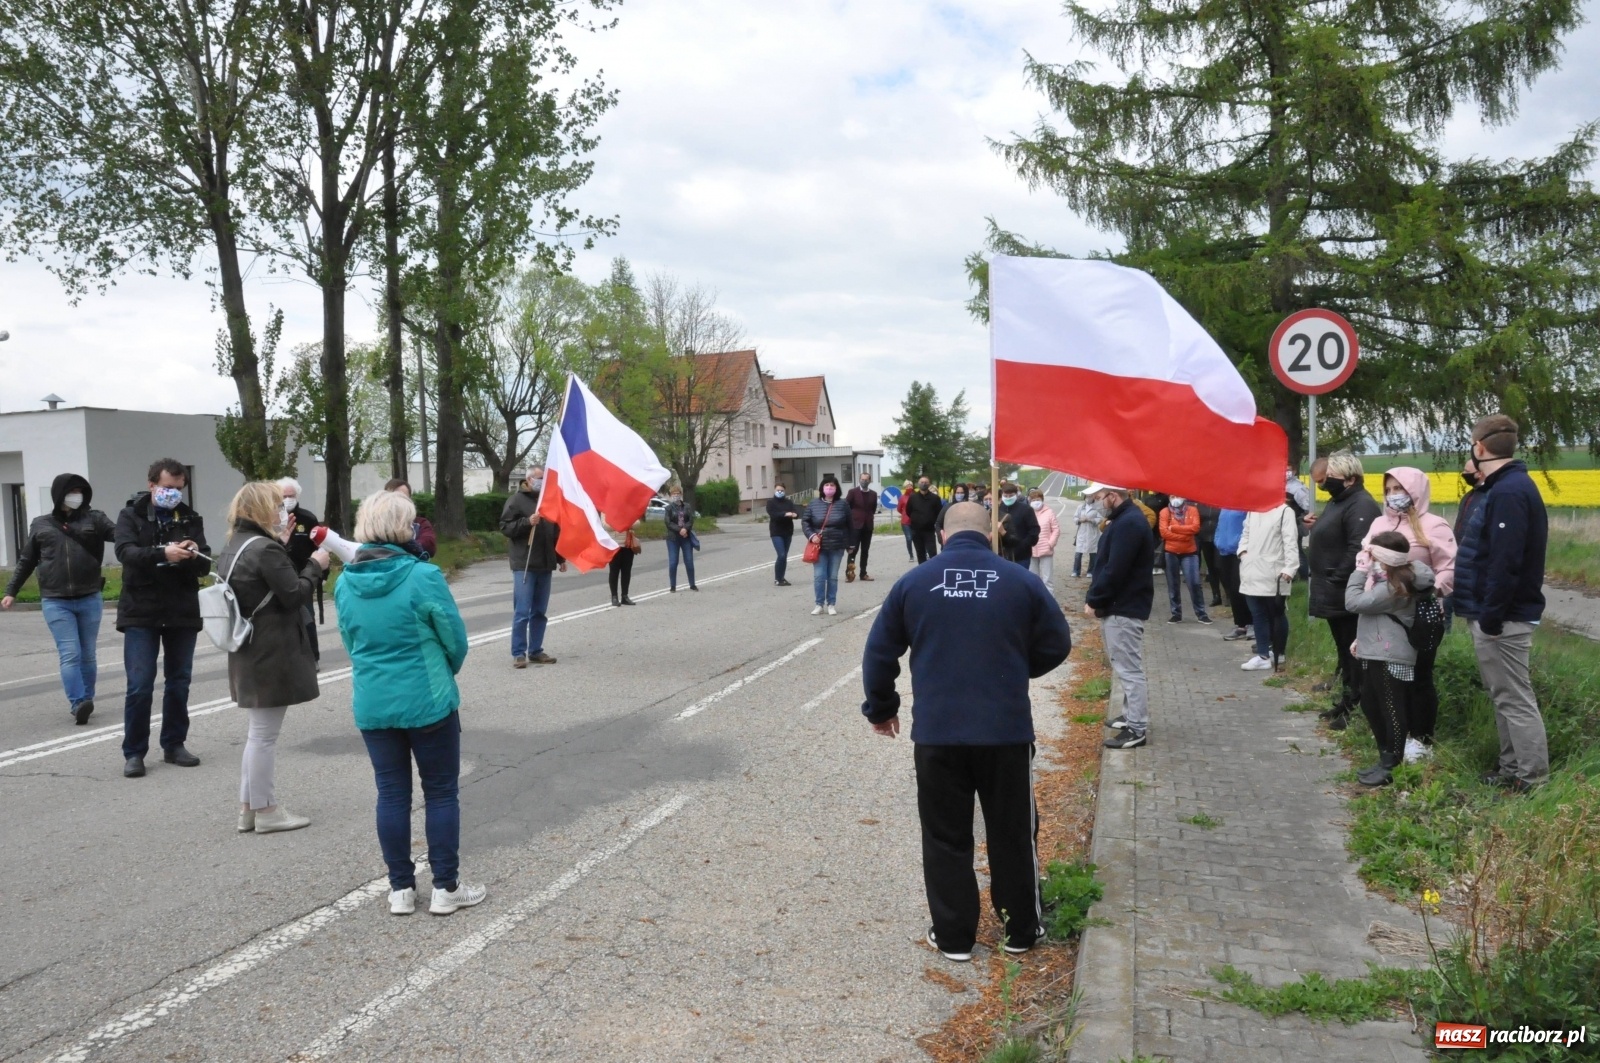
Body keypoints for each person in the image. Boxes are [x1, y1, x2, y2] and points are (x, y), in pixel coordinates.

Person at [861, 502, 1071, 962]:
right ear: (992, 533)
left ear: (941, 535)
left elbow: (879, 653)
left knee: (945, 836)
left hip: (939, 734)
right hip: (1006, 733)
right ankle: (1020, 928)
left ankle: (954, 936)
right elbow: (1058, 642)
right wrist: (1016, 671)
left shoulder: (914, 583)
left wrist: (882, 708)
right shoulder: (1022, 581)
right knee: (1012, 831)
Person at [335, 489, 484, 916]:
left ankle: (400, 887)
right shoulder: (423, 576)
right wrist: (444, 671)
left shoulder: (345, 582)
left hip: (374, 701)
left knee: (392, 793)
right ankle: (445, 886)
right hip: (427, 698)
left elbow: (351, 641)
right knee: (440, 793)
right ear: (405, 526)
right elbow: (454, 640)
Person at [217, 482, 329, 833]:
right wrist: (314, 564)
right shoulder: (265, 549)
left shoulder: (237, 544)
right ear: (263, 509)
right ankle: (266, 811)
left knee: (258, 734)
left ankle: (248, 808)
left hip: (251, 646)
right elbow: (294, 595)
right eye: (278, 505)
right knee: (264, 736)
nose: (284, 511)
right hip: (271, 648)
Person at [1463, 415, 1549, 792]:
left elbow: (1505, 561)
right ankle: (1510, 768)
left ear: (1479, 447)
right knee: (1504, 696)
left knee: (1515, 699)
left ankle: (1531, 779)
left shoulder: (1509, 492)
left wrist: (1491, 618)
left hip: (1504, 618)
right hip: (1499, 614)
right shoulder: (1507, 486)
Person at [116, 458, 211, 778]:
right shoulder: (131, 515)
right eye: (168, 488)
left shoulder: (190, 517)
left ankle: (174, 744)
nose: (173, 494)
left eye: (179, 489)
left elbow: (204, 565)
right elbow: (125, 553)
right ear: (152, 484)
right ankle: (134, 752)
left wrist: (193, 552)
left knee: (179, 682)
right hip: (141, 611)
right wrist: (163, 553)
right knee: (140, 685)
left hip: (181, 609)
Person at [2, 474, 117, 725]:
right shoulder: (41, 524)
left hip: (89, 596)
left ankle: (87, 699)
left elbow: (120, 535)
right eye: (71, 491)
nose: (77, 495)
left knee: (88, 654)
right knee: (70, 653)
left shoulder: (95, 518)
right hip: (56, 600)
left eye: (80, 490)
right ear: (59, 494)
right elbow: (26, 561)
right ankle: (77, 703)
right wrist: (11, 591)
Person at [1360, 467, 1457, 760]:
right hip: (1380, 614)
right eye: (1388, 490)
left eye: (1399, 489)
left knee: (1419, 676)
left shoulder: (1434, 525)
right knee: (1383, 679)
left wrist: (1427, 592)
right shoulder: (1378, 523)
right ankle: (1393, 739)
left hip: (1418, 616)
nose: (1393, 496)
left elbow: (1449, 567)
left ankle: (1422, 739)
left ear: (1414, 491)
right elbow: (1365, 559)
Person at [1345, 531, 1434, 787]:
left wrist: (1359, 571)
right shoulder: (1389, 579)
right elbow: (1375, 617)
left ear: (1381, 557)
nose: (1366, 558)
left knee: (1392, 710)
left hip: (1391, 654)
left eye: (1370, 554)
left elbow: (1353, 602)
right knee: (1370, 705)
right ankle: (1385, 757)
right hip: (1377, 649)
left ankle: (1391, 764)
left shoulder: (1394, 586)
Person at [1305, 450, 1381, 731]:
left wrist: (1337, 577)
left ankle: (1356, 704)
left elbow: (1357, 547)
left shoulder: (1361, 505)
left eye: (1332, 478)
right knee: (1343, 650)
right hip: (1332, 591)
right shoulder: (1340, 501)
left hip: (1344, 591)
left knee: (1353, 650)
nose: (1326, 484)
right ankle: (1347, 698)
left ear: (1349, 479)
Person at [1083, 483, 1155, 749]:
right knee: (1124, 665)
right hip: (1121, 604)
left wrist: (1095, 599)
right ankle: (1130, 715)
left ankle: (1137, 728)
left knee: (1128, 669)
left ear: (1113, 496)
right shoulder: (1125, 519)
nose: (1098, 502)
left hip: (1123, 606)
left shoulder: (1129, 523)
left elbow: (1115, 570)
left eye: (1100, 497)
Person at [498, 467, 565, 668]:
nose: (542, 481)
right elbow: (505, 527)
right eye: (539, 478)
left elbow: (555, 532)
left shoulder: (548, 500)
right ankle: (519, 653)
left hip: (545, 563)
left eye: (544, 479)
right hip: (524, 564)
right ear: (528, 479)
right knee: (522, 611)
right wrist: (527, 522)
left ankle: (536, 650)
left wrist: (560, 558)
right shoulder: (516, 500)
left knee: (539, 611)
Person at [1237, 496, 1298, 671]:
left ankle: (1279, 653)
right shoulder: (1253, 509)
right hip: (1251, 571)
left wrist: (1290, 567)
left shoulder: (1285, 511)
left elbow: (1290, 542)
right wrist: (1242, 552)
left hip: (1274, 572)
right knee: (1257, 614)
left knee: (1276, 613)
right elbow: (1245, 534)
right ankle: (1263, 654)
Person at [276, 477, 323, 664]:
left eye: (291, 495)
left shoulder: (308, 518)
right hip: (280, 575)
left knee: (307, 618)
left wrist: (320, 574)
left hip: (304, 575)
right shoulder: (273, 518)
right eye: (284, 496)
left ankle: (313, 657)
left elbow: (319, 546)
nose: (288, 499)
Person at [1448, 456, 1488, 630]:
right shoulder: (1469, 497)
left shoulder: (1489, 497)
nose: (1464, 475)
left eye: (1467, 472)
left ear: (1479, 473)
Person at [1158, 496, 1210, 624]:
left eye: (1178, 495)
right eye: (1172, 496)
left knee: (1194, 583)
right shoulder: (1165, 512)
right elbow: (1164, 532)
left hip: (1190, 552)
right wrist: (1184, 536)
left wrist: (1174, 528)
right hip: (1171, 552)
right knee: (1173, 584)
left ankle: (1201, 613)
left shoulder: (1192, 510)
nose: (1175, 498)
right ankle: (1176, 613)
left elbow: (1195, 528)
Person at [803, 477, 851, 616]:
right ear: (822, 488)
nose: (829, 487)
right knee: (819, 576)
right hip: (819, 546)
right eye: (827, 485)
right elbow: (805, 522)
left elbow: (850, 525)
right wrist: (812, 536)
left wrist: (850, 544)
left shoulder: (843, 504)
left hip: (837, 545)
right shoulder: (813, 504)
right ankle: (819, 604)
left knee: (833, 576)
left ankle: (831, 603)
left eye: (832, 485)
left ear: (836, 488)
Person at [1214, 508, 1252, 641]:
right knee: (1230, 589)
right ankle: (1240, 625)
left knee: (1240, 588)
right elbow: (1220, 525)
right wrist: (1217, 541)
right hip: (1224, 551)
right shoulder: (1224, 507)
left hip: (1239, 552)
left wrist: (1240, 545)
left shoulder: (1245, 507)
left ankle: (1251, 623)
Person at [384, 478, 437, 557]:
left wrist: (407, 546)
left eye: (403, 498)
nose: (399, 502)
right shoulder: (379, 524)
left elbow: (429, 545)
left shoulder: (420, 523)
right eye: (394, 498)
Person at [662, 485, 698, 592]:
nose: (676, 496)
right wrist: (679, 529)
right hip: (673, 538)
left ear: (681, 494)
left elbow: (691, 520)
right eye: (673, 494)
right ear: (671, 495)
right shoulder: (668, 508)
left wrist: (685, 529)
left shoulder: (687, 506)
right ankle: (673, 586)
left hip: (686, 537)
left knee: (689, 561)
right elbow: (668, 523)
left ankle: (692, 584)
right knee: (673, 562)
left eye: (677, 494)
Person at [993, 482, 1039, 566]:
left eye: (1011, 495)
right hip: (1002, 556)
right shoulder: (998, 509)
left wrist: (1023, 546)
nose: (1008, 498)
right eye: (1005, 496)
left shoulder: (1026, 509)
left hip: (1021, 557)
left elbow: (1034, 531)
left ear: (1016, 495)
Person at [845, 472, 879, 583]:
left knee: (865, 550)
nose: (864, 481)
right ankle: (849, 573)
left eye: (866, 479)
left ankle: (863, 573)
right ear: (859, 480)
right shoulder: (853, 492)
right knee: (853, 550)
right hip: (855, 526)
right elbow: (846, 507)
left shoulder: (873, 494)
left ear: (869, 481)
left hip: (868, 526)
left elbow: (873, 509)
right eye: (862, 479)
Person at [766, 482, 800, 586]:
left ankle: (782, 578)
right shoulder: (771, 502)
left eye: (782, 490)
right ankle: (777, 578)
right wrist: (785, 514)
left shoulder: (788, 502)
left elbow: (796, 512)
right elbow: (773, 514)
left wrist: (795, 514)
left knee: (784, 556)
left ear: (785, 491)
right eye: (778, 490)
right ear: (774, 490)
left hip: (787, 531)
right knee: (781, 554)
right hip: (776, 532)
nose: (780, 492)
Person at [1027, 489, 1060, 591]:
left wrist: (1051, 543)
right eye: (1033, 499)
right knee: (1033, 577)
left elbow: (1056, 529)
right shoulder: (1027, 512)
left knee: (1047, 579)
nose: (1036, 501)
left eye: (1038, 499)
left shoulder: (1049, 512)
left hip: (1046, 549)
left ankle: (1049, 602)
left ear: (1042, 499)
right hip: (1031, 549)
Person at [906, 477, 944, 563]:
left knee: (932, 553)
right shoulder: (913, 497)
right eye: (922, 482)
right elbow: (908, 511)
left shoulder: (935, 498)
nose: (924, 484)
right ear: (918, 484)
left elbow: (939, 513)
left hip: (929, 531)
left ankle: (934, 573)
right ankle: (922, 572)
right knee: (920, 553)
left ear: (929, 484)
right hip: (916, 530)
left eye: (926, 482)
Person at [1195, 503, 1223, 607]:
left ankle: (1227, 594)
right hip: (1205, 538)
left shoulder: (1221, 505)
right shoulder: (1201, 505)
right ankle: (1216, 595)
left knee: (1219, 566)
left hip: (1218, 539)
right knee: (1211, 568)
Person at [608, 522, 639, 606]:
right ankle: (614, 596)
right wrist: (622, 524)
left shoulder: (629, 509)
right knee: (614, 572)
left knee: (626, 571)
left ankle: (624, 596)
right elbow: (605, 525)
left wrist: (628, 523)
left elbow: (637, 523)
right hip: (614, 545)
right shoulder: (607, 509)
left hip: (628, 544)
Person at [1071, 494, 1101, 578]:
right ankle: (1076, 571)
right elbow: (1075, 517)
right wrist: (1080, 520)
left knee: (1093, 553)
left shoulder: (1097, 507)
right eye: (1087, 496)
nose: (1089, 498)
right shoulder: (1080, 507)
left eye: (1091, 496)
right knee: (1078, 553)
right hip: (1082, 532)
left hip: (1092, 533)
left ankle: (1091, 571)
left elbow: (1100, 519)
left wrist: (1090, 520)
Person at [897, 480, 915, 561]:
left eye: (910, 486)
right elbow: (899, 509)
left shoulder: (916, 496)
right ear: (905, 487)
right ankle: (911, 555)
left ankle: (923, 553)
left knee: (918, 538)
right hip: (905, 522)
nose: (909, 487)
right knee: (909, 538)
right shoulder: (902, 498)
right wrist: (905, 513)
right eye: (907, 486)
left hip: (916, 521)